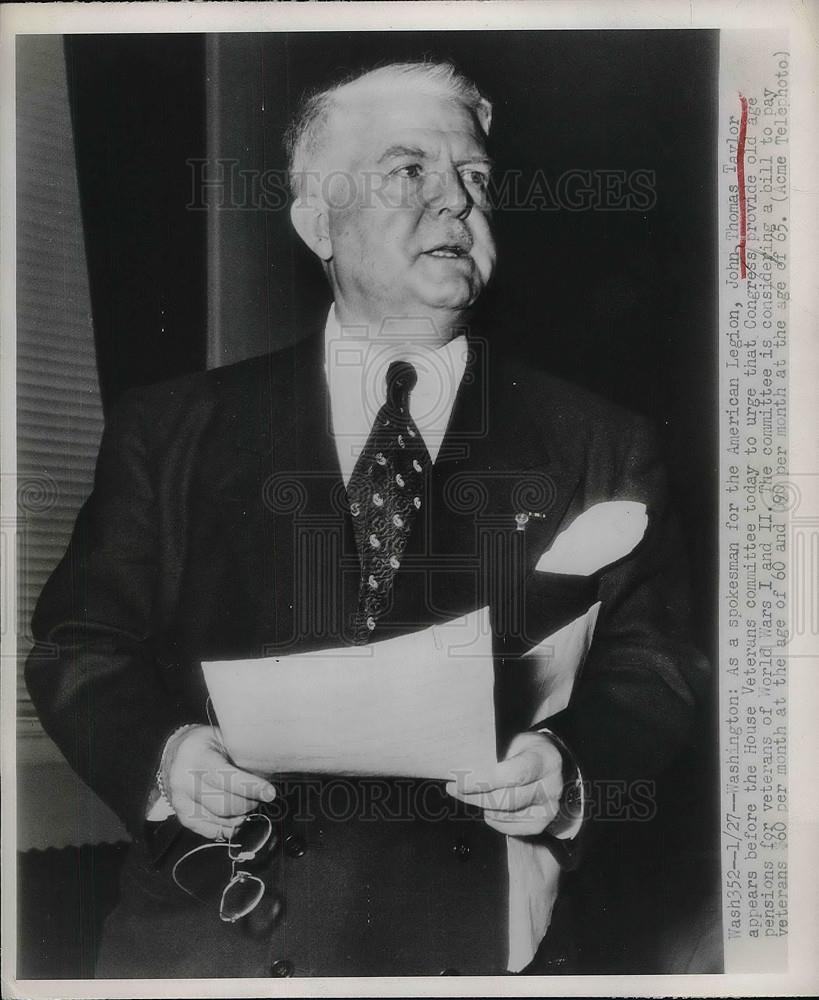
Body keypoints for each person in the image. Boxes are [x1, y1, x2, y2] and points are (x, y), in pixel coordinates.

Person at [26, 61, 709, 978]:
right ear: (318, 222)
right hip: (224, 944)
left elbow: (655, 663)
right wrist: (165, 755)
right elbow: (79, 643)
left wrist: (574, 768)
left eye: (474, 178)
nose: (456, 204)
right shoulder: (173, 428)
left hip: (483, 950)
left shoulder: (600, 441)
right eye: (408, 172)